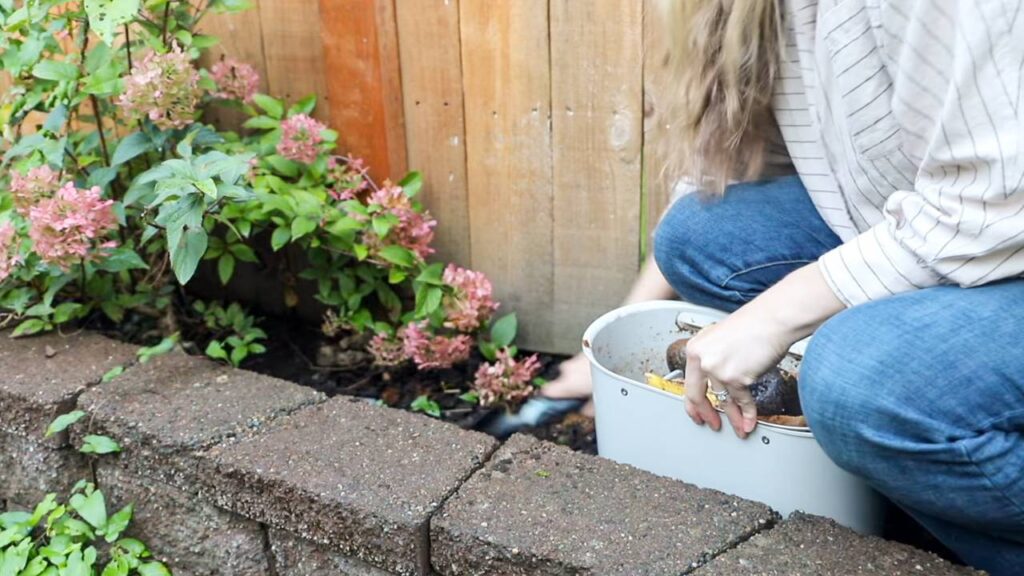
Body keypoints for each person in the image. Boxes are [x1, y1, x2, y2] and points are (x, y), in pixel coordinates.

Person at [544, 1, 1024, 573]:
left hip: (997, 228)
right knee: (697, 238)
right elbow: (727, 169)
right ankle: (901, 459)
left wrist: (775, 316)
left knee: (853, 383)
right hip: (958, 234)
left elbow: (993, 204)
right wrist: (606, 351)